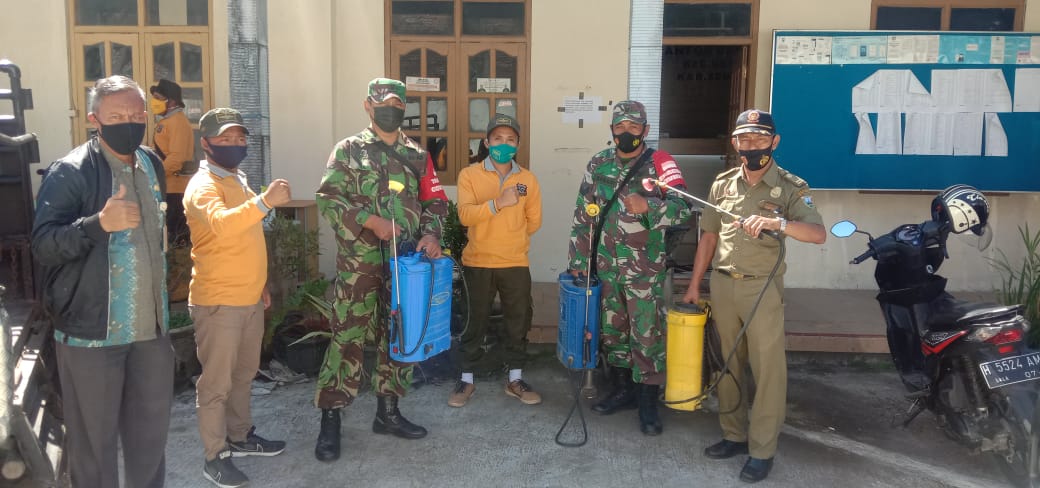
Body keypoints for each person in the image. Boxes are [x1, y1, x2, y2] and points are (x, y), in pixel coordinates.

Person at [32, 75, 174, 487]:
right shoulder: (70, 172)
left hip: (150, 331)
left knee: (150, 439)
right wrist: (97, 225)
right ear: (95, 119)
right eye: (116, 115)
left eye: (135, 114)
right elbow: (42, 245)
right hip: (92, 335)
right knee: (94, 447)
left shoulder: (151, 164)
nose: (128, 122)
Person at [683, 109, 825, 483]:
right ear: (735, 143)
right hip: (724, 284)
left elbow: (817, 234)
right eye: (744, 139)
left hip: (762, 287)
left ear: (774, 142)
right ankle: (733, 434)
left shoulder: (791, 187)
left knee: (768, 372)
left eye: (760, 139)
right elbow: (709, 238)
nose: (752, 146)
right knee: (727, 363)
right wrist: (695, 284)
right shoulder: (723, 184)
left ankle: (762, 450)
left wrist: (780, 224)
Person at [313, 78, 448, 462]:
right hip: (360, 264)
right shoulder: (349, 150)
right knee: (347, 337)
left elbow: (435, 203)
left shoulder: (418, 155)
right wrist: (369, 221)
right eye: (382, 102)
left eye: (396, 102)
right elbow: (328, 198)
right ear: (368, 106)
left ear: (403, 108)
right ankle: (331, 418)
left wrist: (431, 236)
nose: (390, 108)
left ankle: (388, 412)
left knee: (399, 333)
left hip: (405, 263)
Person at [567, 100, 692, 435]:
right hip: (606, 268)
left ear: (645, 131)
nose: (626, 133)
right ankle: (623, 390)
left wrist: (649, 206)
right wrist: (579, 259)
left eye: (633, 128)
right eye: (620, 127)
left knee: (646, 334)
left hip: (644, 271)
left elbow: (685, 211)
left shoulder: (661, 163)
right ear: (612, 130)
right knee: (613, 332)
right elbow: (583, 213)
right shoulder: (598, 163)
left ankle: (648, 401)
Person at [184, 107, 292, 488]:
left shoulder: (235, 178)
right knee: (216, 384)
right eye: (225, 139)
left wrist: (259, 282)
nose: (235, 144)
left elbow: (246, 238)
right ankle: (215, 457)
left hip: (247, 299)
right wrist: (265, 201)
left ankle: (241, 436)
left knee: (244, 374)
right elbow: (223, 226)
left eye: (240, 138)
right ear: (206, 143)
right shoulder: (203, 186)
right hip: (218, 302)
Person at [448, 113, 543, 408]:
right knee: (473, 322)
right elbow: (465, 215)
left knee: (518, 321)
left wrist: (509, 234)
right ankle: (467, 380)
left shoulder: (527, 178)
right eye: (498, 138)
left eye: (510, 139)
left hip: (515, 262)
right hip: (478, 261)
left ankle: (515, 379)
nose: (504, 144)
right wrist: (497, 204)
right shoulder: (470, 175)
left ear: (518, 144)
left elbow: (534, 221)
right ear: (487, 142)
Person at [150, 78, 195, 246]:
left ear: (172, 101)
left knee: (176, 240)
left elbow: (177, 159)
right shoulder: (167, 121)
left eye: (158, 97)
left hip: (176, 189)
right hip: (167, 187)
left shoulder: (178, 122)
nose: (153, 102)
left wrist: (153, 173)